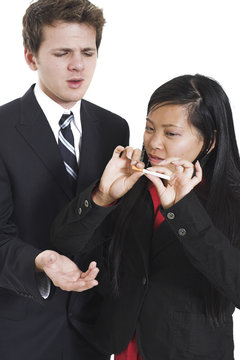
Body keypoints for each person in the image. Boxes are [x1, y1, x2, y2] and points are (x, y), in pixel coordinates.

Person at [51, 74, 240, 360]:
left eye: (171, 133)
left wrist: (184, 210)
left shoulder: (232, 199)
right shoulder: (132, 185)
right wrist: (103, 196)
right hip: (124, 348)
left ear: (210, 140)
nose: (154, 143)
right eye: (149, 128)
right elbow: (64, 244)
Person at [0, 0, 130, 359]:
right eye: (62, 53)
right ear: (31, 57)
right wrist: (41, 261)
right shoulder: (2, 129)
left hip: (92, 328)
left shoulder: (114, 128)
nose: (78, 65)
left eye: (88, 52)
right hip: (21, 330)